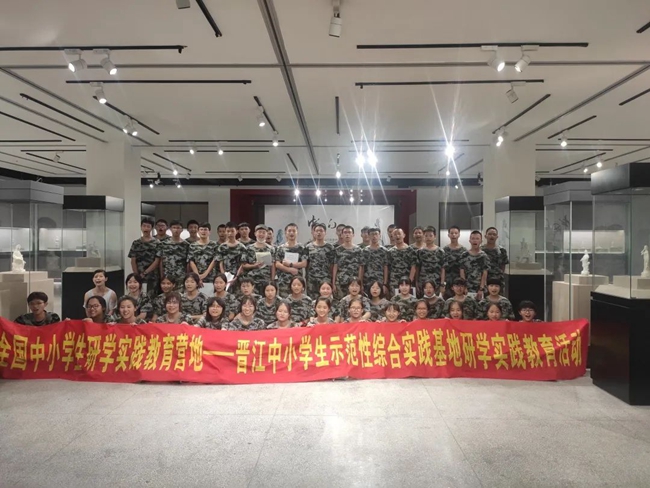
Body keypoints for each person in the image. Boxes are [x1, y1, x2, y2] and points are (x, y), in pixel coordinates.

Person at [217, 221, 255, 293]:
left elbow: (242, 264)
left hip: (239, 277)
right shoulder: (222, 247)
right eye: (228, 231)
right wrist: (223, 275)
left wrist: (236, 276)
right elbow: (220, 262)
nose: (230, 233)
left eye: (232, 231)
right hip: (225, 277)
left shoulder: (241, 247)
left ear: (236, 231)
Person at [128, 217, 161, 297]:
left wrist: (145, 273)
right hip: (139, 276)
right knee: (138, 296)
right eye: (144, 226)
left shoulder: (157, 243)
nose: (146, 228)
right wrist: (136, 275)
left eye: (148, 226)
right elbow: (133, 260)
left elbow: (157, 261)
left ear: (152, 228)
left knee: (152, 296)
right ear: (141, 227)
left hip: (152, 276)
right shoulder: (136, 243)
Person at [275, 223, 309, 297]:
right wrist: (289, 269)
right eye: (289, 231)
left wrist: (290, 264)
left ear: (297, 233)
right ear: (285, 233)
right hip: (283, 281)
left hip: (297, 281)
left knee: (298, 300)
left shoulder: (302, 248)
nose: (291, 233)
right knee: (284, 301)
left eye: (294, 231)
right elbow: (277, 264)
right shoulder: (280, 248)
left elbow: (304, 263)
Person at [332, 225, 364, 300]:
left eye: (349, 232)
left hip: (354, 283)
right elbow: (335, 266)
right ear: (342, 235)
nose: (347, 234)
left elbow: (361, 267)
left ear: (353, 235)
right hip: (340, 282)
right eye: (345, 233)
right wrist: (333, 283)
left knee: (354, 302)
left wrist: (360, 283)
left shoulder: (359, 250)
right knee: (340, 302)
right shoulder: (337, 250)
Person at [242, 224, 276, 294]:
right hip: (252, 280)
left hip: (266, 280)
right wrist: (254, 266)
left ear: (266, 234)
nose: (261, 234)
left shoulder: (271, 249)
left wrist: (272, 280)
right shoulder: (248, 248)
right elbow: (244, 265)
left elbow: (273, 265)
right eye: (259, 232)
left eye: (264, 232)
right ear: (255, 233)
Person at [305, 223, 335, 298]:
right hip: (312, 279)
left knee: (325, 300)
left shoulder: (330, 247)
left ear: (325, 233)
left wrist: (332, 280)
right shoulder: (308, 247)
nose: (319, 233)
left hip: (325, 278)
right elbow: (306, 264)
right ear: (313, 232)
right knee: (312, 300)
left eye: (321, 231)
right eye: (317, 231)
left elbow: (332, 265)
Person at [159, 220, 190, 289]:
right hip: (167, 276)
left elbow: (188, 262)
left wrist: (187, 276)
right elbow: (161, 261)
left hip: (181, 276)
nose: (176, 230)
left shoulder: (186, 245)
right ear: (170, 229)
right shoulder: (164, 244)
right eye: (174, 227)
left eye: (178, 228)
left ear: (182, 230)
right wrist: (161, 275)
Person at [417, 226, 446, 296]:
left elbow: (443, 268)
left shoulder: (440, 251)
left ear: (435, 236)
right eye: (426, 236)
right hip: (423, 283)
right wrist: (416, 282)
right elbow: (417, 268)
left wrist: (442, 284)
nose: (428, 238)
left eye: (430, 235)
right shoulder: (420, 251)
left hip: (436, 283)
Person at [460, 230, 488, 298]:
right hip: (467, 288)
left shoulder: (483, 256)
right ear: (470, 241)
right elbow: (462, 271)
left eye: (477, 238)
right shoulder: (464, 255)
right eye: (473, 238)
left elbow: (484, 272)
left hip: (479, 288)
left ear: (481, 241)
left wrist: (481, 288)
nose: (475, 240)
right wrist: (464, 286)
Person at [387, 228, 417, 294]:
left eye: (399, 234)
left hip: (407, 280)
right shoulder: (390, 251)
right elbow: (388, 267)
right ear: (392, 236)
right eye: (395, 234)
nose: (397, 236)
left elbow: (413, 266)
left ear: (404, 235)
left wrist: (410, 280)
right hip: (394, 281)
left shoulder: (410, 250)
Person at [363, 227, 389, 297]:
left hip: (380, 281)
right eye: (372, 234)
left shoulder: (384, 251)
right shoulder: (365, 251)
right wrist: (361, 283)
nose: (374, 236)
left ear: (379, 235)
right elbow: (362, 267)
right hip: (367, 281)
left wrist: (385, 284)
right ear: (369, 236)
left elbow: (385, 267)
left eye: (376, 234)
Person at [481, 227, 509, 292]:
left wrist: (500, 275)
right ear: (485, 236)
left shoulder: (502, 250)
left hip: (498, 280)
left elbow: (503, 266)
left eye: (494, 234)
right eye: (490, 234)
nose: (492, 236)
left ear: (497, 237)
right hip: (484, 280)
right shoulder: (481, 250)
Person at [443, 226, 467, 299]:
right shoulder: (444, 250)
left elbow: (464, 268)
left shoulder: (463, 250)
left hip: (459, 282)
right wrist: (442, 283)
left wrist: (464, 284)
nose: (454, 235)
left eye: (456, 233)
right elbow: (443, 268)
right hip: (448, 281)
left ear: (459, 235)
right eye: (452, 233)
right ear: (448, 235)